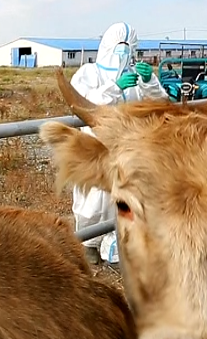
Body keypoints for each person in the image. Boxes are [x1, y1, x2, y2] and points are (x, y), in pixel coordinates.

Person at [69, 21, 167, 265]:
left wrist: (149, 81)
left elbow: (159, 102)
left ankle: (119, 242)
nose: (123, 52)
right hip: (95, 146)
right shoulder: (88, 74)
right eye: (118, 47)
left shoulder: (134, 78)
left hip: (128, 147)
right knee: (93, 199)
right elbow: (84, 103)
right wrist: (114, 87)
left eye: (128, 47)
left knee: (127, 195)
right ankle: (89, 244)